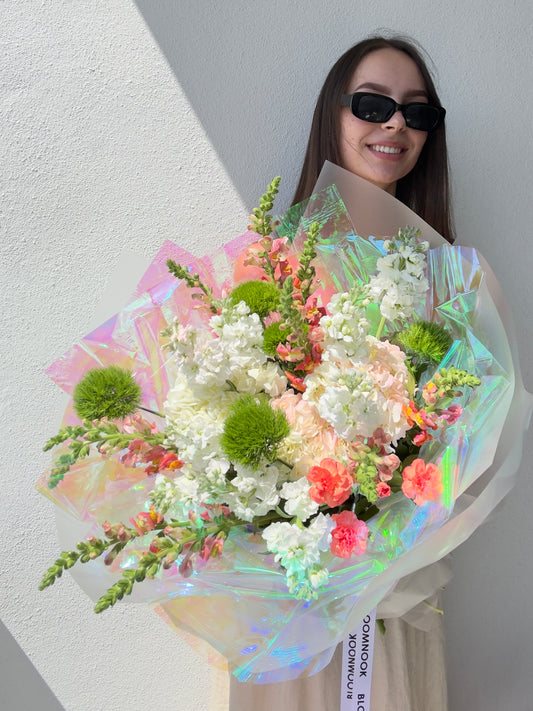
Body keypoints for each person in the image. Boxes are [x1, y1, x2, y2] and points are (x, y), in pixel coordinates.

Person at [229, 35, 451, 711]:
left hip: (393, 581)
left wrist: (388, 520)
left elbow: (463, 431)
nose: (394, 124)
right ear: (334, 113)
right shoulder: (272, 262)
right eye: (371, 104)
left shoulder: (448, 276)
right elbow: (234, 419)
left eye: (416, 113)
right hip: (291, 586)